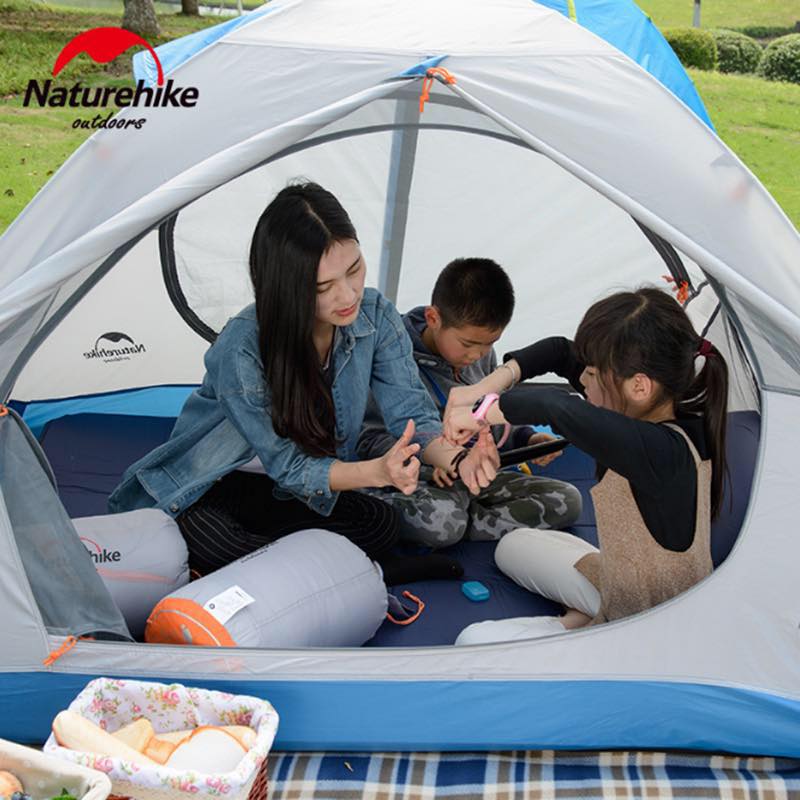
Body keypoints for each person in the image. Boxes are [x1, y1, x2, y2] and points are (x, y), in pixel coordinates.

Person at [108, 182, 498, 585]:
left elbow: (411, 413)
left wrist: (458, 459)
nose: (347, 295)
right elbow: (289, 466)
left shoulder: (375, 316)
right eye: (323, 287)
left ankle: (312, 570)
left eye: (354, 269)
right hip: (218, 484)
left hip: (294, 492)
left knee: (379, 523)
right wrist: (377, 472)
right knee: (216, 542)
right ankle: (355, 571)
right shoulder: (242, 348)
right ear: (287, 286)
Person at [442, 287, 729, 643]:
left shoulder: (664, 452)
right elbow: (559, 351)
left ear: (639, 386)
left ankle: (579, 627)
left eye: (592, 373)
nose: (582, 381)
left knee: (472, 641)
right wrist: (481, 388)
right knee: (512, 546)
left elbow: (558, 408)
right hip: (620, 582)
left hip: (651, 628)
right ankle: (590, 612)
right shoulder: (645, 403)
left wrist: (480, 414)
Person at [358, 258, 582, 547]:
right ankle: (455, 522)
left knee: (567, 500)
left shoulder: (480, 355)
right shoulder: (393, 356)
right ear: (433, 318)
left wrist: (526, 438)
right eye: (467, 344)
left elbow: (488, 417)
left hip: (474, 478)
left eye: (490, 344)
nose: (478, 355)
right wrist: (433, 460)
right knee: (440, 519)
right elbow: (369, 440)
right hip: (417, 482)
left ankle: (462, 523)